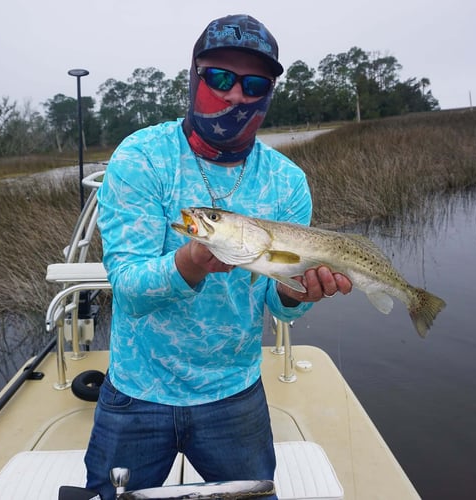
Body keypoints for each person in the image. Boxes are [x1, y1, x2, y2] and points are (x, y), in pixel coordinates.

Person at [84, 13, 353, 499]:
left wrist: (302, 293)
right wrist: (189, 261)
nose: (235, 95)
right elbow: (127, 287)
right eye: (220, 77)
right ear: (194, 74)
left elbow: (280, 301)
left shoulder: (287, 182)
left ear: (268, 93)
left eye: (253, 83)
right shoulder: (140, 158)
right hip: (137, 392)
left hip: (235, 394)